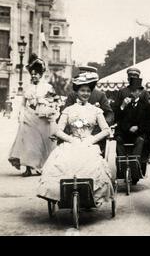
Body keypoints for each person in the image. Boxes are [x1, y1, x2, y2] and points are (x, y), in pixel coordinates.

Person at [36, 72, 114, 205]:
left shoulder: (96, 110)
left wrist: (91, 140)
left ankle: (89, 195)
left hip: (89, 143)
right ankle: (62, 194)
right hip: (71, 142)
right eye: (82, 90)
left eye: (88, 91)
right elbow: (57, 130)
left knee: (91, 164)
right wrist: (71, 140)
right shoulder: (68, 110)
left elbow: (106, 130)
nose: (85, 93)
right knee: (62, 162)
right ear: (77, 91)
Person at [8, 53, 59, 177]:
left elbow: (56, 102)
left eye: (36, 73)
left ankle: (40, 166)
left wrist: (45, 102)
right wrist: (20, 114)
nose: (34, 75)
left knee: (41, 143)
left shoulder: (48, 87)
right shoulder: (27, 88)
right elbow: (23, 103)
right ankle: (28, 168)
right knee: (27, 143)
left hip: (42, 118)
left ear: (41, 74)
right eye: (32, 73)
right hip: (29, 116)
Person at [115, 78, 150, 184]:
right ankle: (122, 168)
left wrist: (138, 127)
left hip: (140, 133)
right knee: (118, 140)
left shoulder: (146, 105)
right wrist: (123, 106)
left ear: (140, 92)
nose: (134, 93)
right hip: (125, 132)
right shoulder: (124, 104)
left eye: (137, 91)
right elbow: (117, 118)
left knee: (141, 140)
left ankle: (135, 169)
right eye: (132, 91)